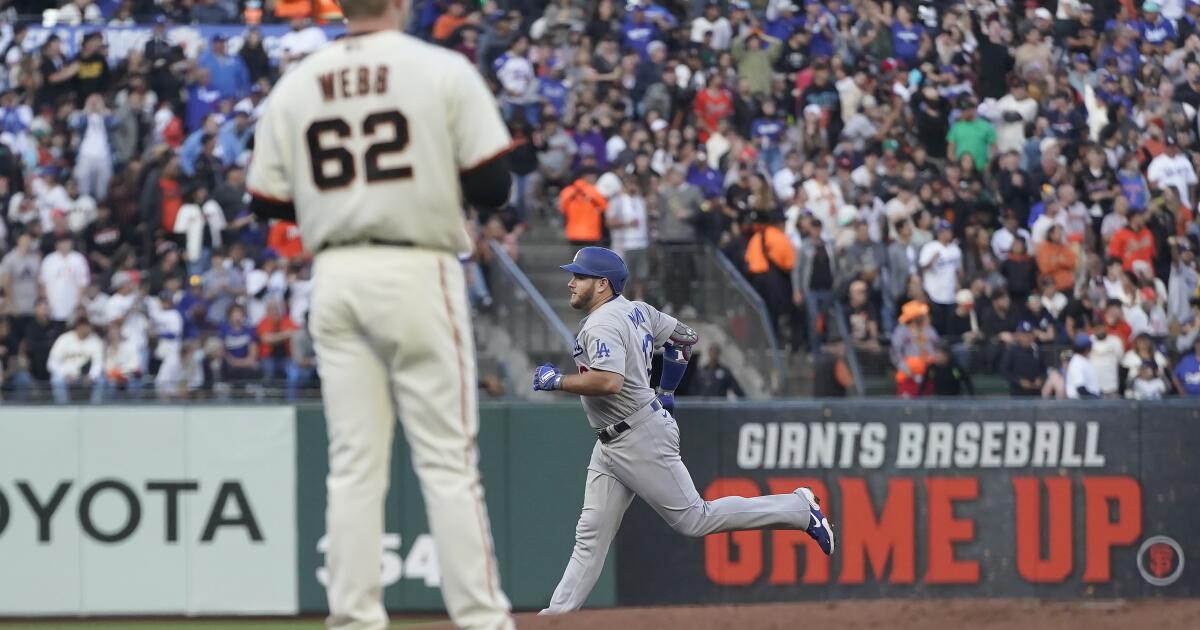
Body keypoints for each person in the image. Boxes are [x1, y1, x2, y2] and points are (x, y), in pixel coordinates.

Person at [244, 0, 516, 625]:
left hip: (336, 274)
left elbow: (265, 201)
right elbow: (494, 186)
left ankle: (354, 620)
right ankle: (482, 621)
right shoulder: (438, 68)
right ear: (400, 4)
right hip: (417, 266)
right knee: (448, 463)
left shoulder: (297, 83)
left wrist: (340, 204)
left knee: (353, 468)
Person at [533, 247, 833, 614]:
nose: (570, 282)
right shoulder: (637, 309)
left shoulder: (601, 323)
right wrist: (667, 389)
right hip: (616, 438)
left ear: (602, 283)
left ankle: (799, 508)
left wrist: (558, 381)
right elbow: (685, 337)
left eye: (579, 276)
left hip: (636, 434)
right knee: (591, 534)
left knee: (695, 517)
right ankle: (555, 618)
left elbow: (609, 381)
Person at [918, 219, 962, 334]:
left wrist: (958, 284)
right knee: (936, 326)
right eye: (945, 231)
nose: (948, 233)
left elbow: (958, 270)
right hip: (934, 294)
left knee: (950, 327)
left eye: (949, 230)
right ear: (939, 233)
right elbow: (922, 267)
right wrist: (933, 259)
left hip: (950, 294)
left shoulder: (955, 249)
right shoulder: (930, 247)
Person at [47, 318, 105, 403]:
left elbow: (98, 363)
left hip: (86, 375)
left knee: (101, 381)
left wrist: (91, 376)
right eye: (84, 326)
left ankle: (95, 409)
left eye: (88, 326)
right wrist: (65, 374)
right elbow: (52, 363)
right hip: (67, 374)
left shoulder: (95, 340)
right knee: (57, 380)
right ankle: (63, 409)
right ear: (78, 327)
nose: (86, 329)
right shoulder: (64, 339)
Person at [999, 321, 1047, 397]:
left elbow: (1044, 369)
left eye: (1029, 334)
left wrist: (1040, 379)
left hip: (1035, 392)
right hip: (1017, 393)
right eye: (1024, 334)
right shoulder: (1012, 350)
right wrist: (1019, 381)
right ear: (1018, 335)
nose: (1027, 337)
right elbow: (1004, 370)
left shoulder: (1037, 350)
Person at [1065, 334, 1099, 399]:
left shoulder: (1084, 360)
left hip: (1087, 403)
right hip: (1079, 405)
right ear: (1087, 348)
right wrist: (1097, 398)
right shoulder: (1077, 363)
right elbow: (1080, 389)